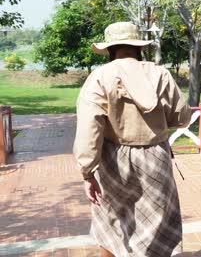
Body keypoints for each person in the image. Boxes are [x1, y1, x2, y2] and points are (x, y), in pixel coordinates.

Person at [73, 22, 191, 257]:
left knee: (111, 221)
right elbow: (182, 117)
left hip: (112, 160)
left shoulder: (98, 77)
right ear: (138, 47)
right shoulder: (160, 74)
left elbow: (89, 129)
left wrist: (87, 173)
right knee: (155, 225)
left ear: (110, 50)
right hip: (156, 157)